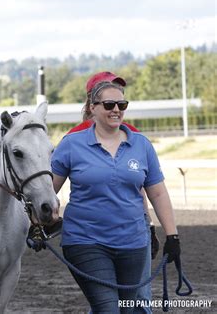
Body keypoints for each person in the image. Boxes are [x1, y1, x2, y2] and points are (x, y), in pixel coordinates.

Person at [51, 74, 181, 313]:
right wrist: (37, 221)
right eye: (109, 105)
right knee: (108, 308)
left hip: (132, 243)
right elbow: (48, 191)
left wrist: (172, 236)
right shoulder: (71, 144)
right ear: (92, 107)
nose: (116, 110)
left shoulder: (142, 145)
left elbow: (158, 193)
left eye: (122, 105)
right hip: (85, 240)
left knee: (128, 308)